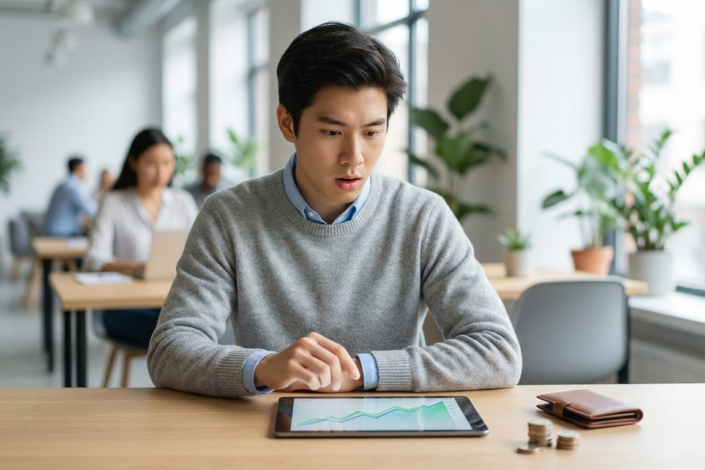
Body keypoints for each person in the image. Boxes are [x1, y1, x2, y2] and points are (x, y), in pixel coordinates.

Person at [148, 22, 521, 398]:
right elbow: (169, 349)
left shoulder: (423, 217)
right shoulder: (229, 216)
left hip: (395, 438)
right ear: (287, 123)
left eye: (372, 133)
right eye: (332, 132)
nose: (354, 157)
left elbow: (497, 350)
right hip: (270, 442)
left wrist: (362, 372)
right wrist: (264, 368)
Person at [84, 128, 198, 349]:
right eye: (151, 163)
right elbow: (93, 259)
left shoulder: (182, 201)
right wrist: (140, 267)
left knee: (187, 328)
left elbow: (202, 250)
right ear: (133, 162)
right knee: (174, 334)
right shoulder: (112, 202)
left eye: (167, 162)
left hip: (171, 301)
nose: (161, 171)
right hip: (124, 307)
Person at [45, 156, 98, 237]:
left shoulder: (64, 184)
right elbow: (91, 210)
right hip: (62, 233)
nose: (87, 172)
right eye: (85, 169)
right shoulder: (73, 187)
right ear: (77, 169)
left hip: (55, 230)